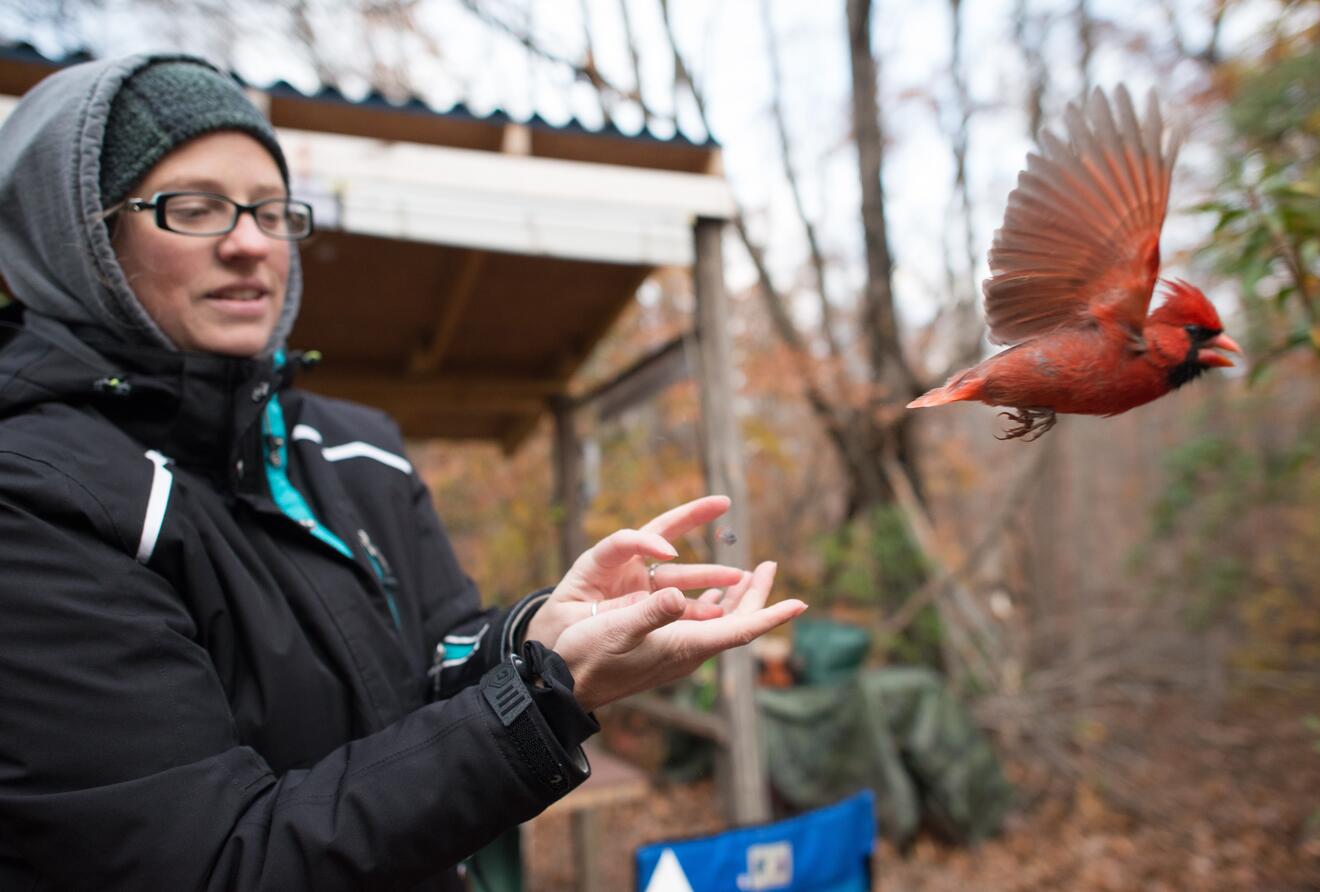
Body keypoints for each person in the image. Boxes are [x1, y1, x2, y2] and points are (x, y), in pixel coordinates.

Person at [0, 53, 806, 891]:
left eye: (271, 210)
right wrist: (542, 701)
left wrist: (539, 638)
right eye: (194, 208)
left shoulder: (357, 447)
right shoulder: (38, 497)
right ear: (77, 236)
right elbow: (215, 864)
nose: (248, 243)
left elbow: (433, 657)